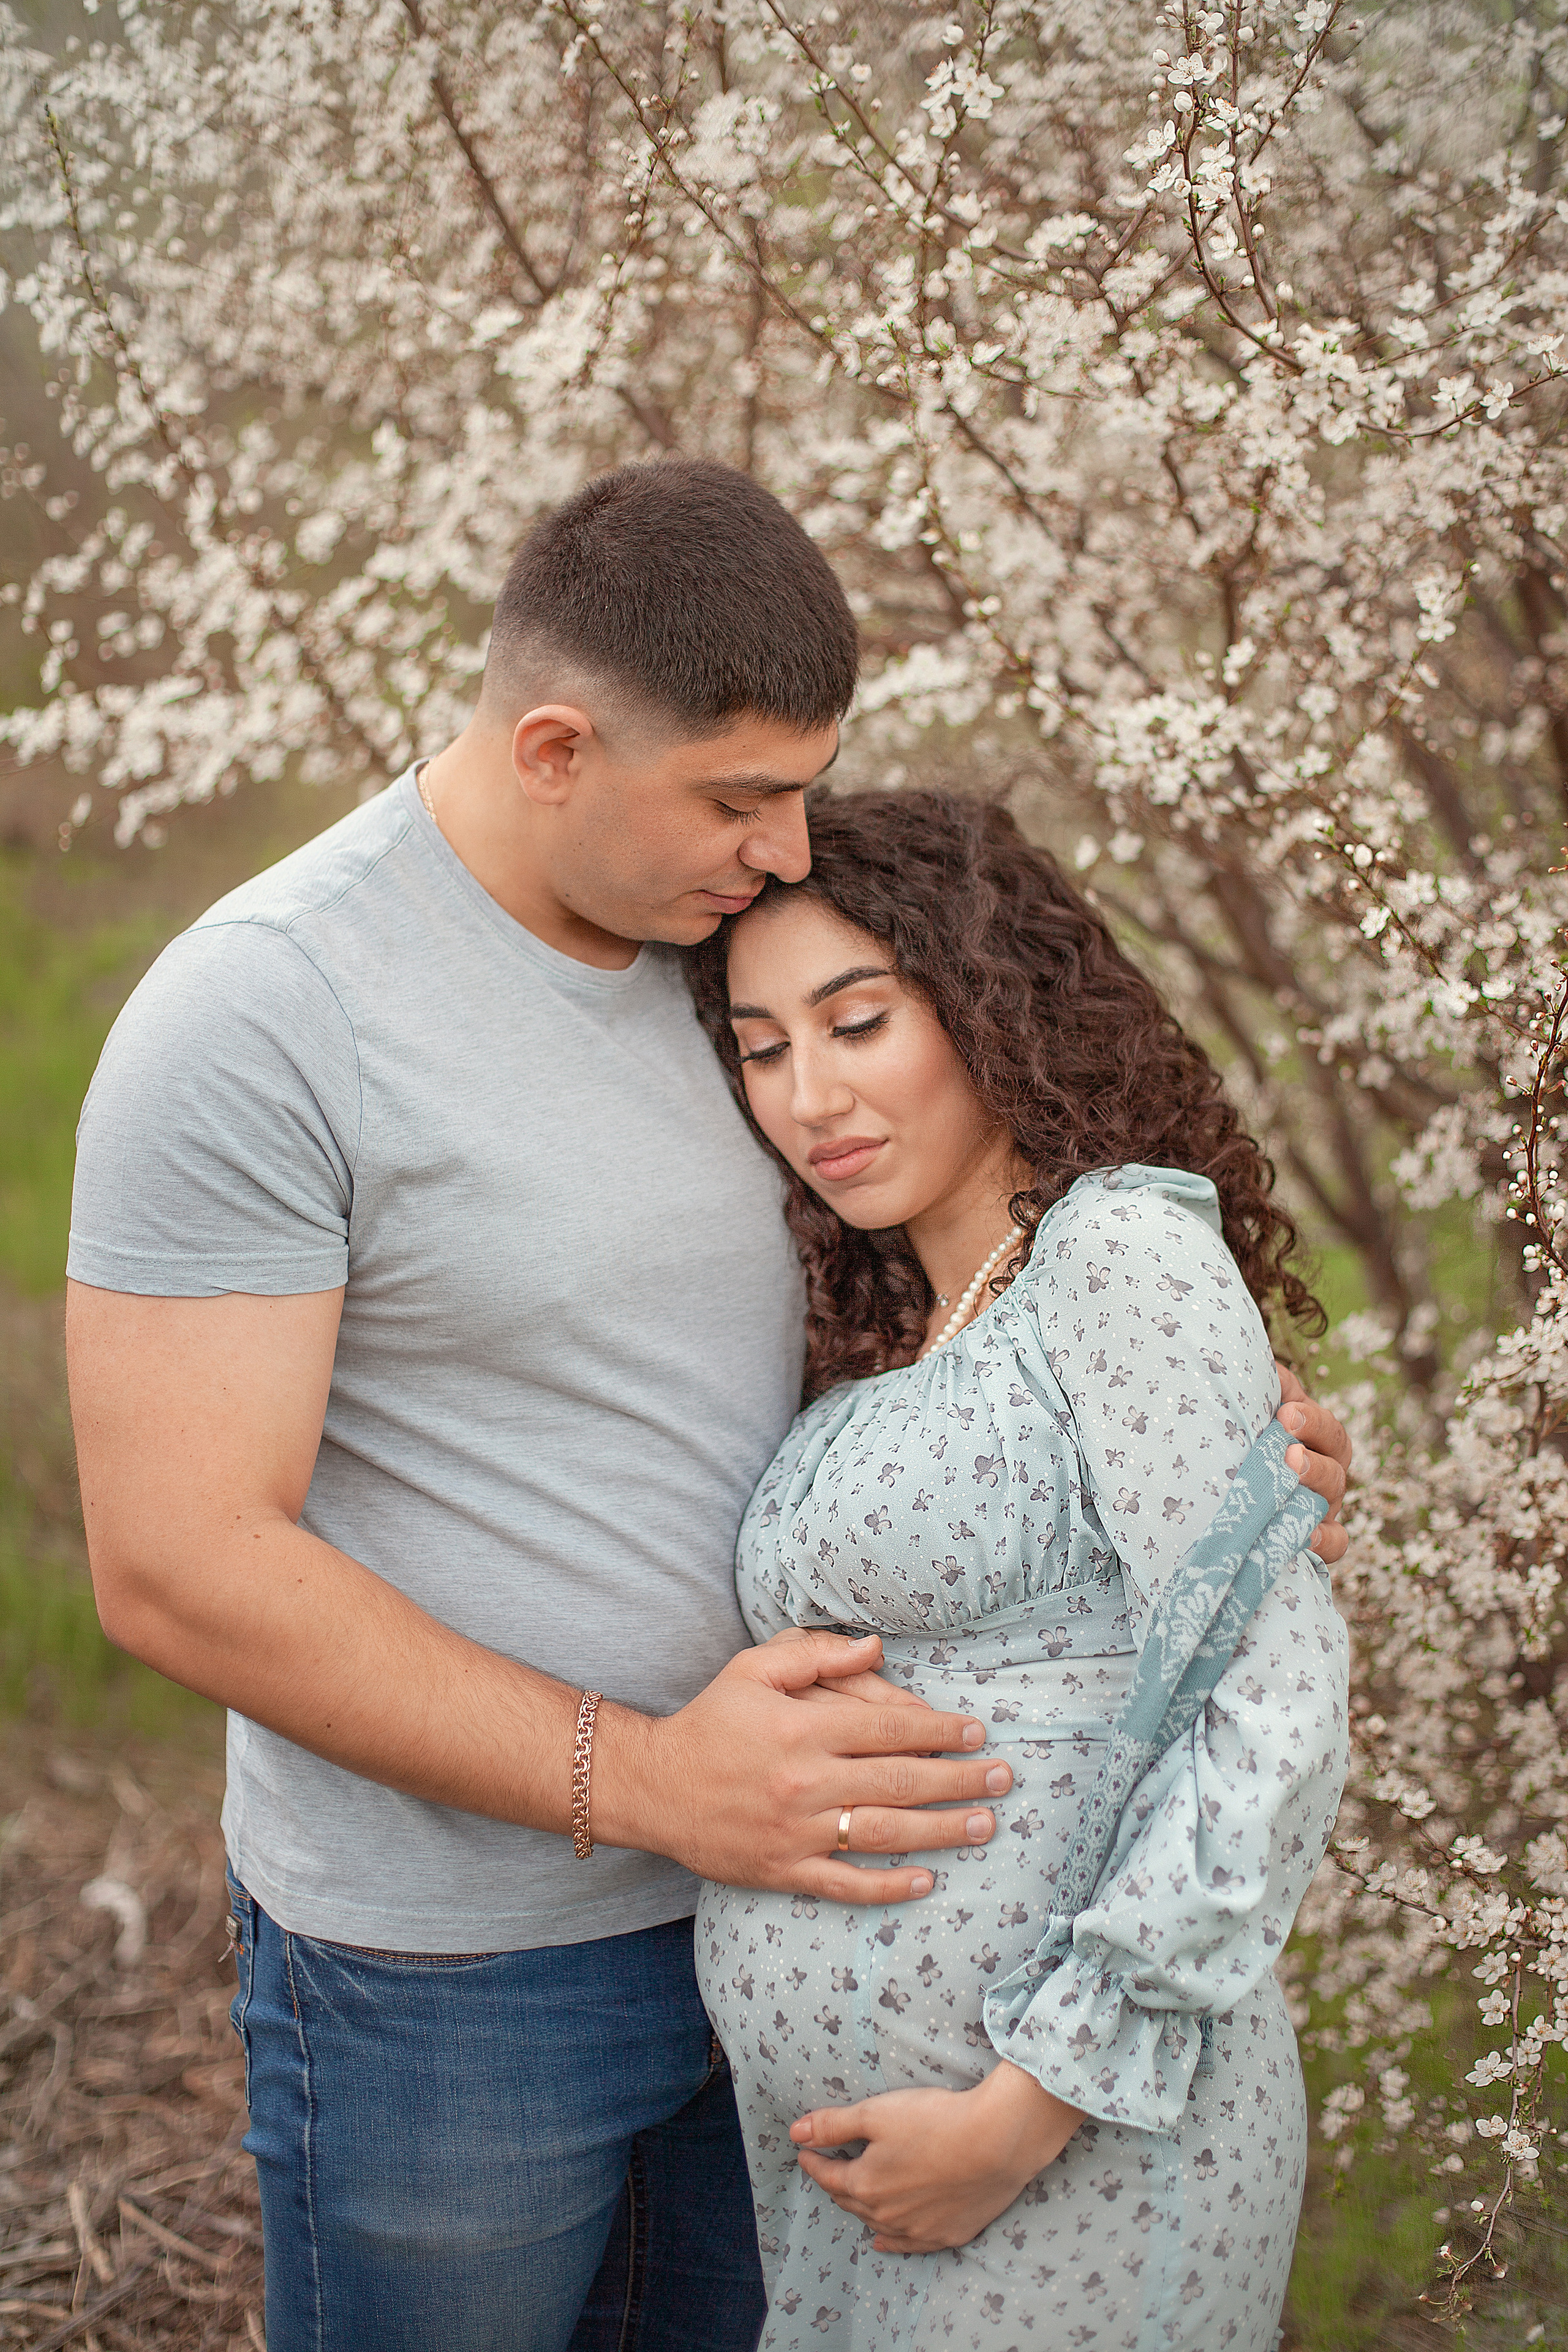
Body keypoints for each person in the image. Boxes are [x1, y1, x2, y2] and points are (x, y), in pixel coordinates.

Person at [65, 458, 1350, 2352]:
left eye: (806, 792)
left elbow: (957, 1287)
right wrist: (653, 1780)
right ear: (560, 747)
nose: (782, 847)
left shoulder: (742, 959)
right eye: (740, 798)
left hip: (810, 1962)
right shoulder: (268, 1015)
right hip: (465, 1978)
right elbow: (178, 1566)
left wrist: (1229, 1426)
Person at [687, 788, 1352, 2352]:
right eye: (763, 1046)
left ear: (989, 1006)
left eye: (858, 1022)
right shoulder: (887, 1331)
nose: (810, 1094)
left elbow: (1271, 1704)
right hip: (853, 2189)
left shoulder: (1110, 1257)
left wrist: (1023, 2109)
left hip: (1068, 2152)